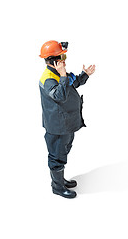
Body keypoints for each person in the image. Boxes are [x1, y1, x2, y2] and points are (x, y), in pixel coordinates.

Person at [39, 40, 95, 198]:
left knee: (63, 151)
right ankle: (57, 187)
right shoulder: (49, 78)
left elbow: (72, 83)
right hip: (57, 126)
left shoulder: (58, 73)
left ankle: (60, 179)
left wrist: (85, 75)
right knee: (57, 155)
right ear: (53, 60)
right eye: (62, 56)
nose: (64, 60)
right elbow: (60, 96)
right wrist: (63, 74)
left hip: (66, 124)